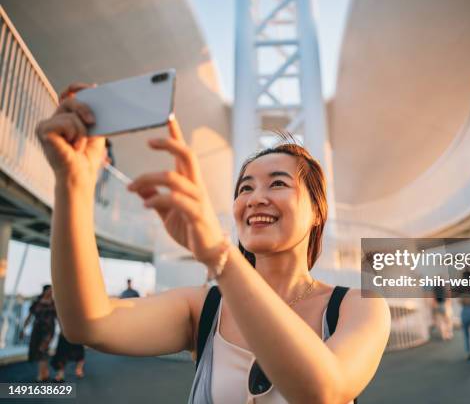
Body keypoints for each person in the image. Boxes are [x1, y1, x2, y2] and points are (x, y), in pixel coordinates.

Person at [36, 82, 391, 403]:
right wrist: (73, 184)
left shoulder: (358, 306)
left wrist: (220, 255)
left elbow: (322, 391)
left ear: (317, 211)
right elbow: (88, 323)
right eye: (245, 188)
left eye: (278, 183)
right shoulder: (202, 308)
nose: (255, 198)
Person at [19, 284, 57, 382]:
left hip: (48, 330)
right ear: (44, 291)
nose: (51, 292)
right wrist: (23, 329)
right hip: (37, 329)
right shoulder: (37, 302)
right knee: (39, 351)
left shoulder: (54, 303)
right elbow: (29, 316)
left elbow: (59, 318)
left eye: (52, 290)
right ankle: (45, 373)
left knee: (42, 349)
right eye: (49, 290)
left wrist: (63, 330)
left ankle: (41, 375)